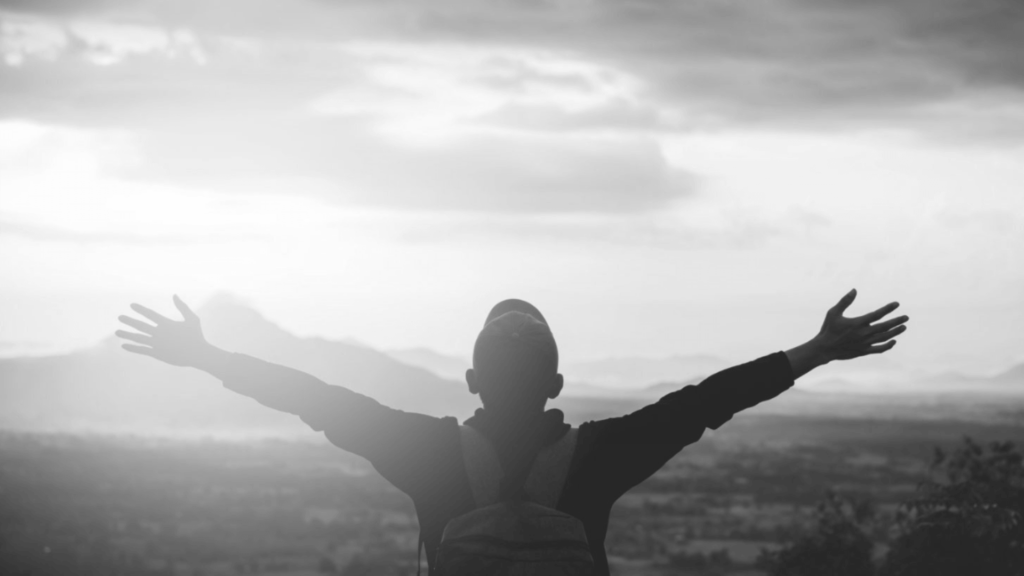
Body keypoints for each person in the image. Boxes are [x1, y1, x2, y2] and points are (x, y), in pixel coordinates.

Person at [116, 289, 908, 575]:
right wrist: (813, 351)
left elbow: (312, 396)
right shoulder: (599, 455)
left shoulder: (423, 451)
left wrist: (208, 355)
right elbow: (704, 401)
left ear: (468, 383)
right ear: (559, 386)